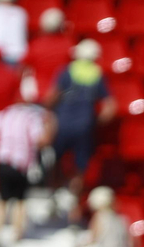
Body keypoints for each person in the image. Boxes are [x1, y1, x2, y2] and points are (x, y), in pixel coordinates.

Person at [46, 39, 115, 224]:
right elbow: (110, 107)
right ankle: (73, 203)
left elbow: (52, 96)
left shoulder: (66, 71)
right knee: (80, 168)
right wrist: (95, 121)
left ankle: (55, 195)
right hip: (85, 127)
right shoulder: (97, 75)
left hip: (62, 124)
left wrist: (45, 111)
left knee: (56, 161)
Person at [0, 96, 51, 246]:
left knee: (1, 198)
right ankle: (18, 233)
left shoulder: (2, 115)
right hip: (21, 163)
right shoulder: (31, 118)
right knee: (20, 200)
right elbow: (40, 140)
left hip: (2, 161)